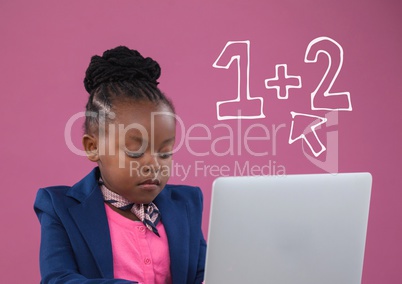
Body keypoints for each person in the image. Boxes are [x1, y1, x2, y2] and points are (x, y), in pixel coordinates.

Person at [34, 46, 206, 284]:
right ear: (93, 147)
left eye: (165, 153)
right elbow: (59, 278)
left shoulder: (186, 204)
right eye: (135, 153)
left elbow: (204, 272)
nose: (153, 165)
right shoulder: (59, 207)